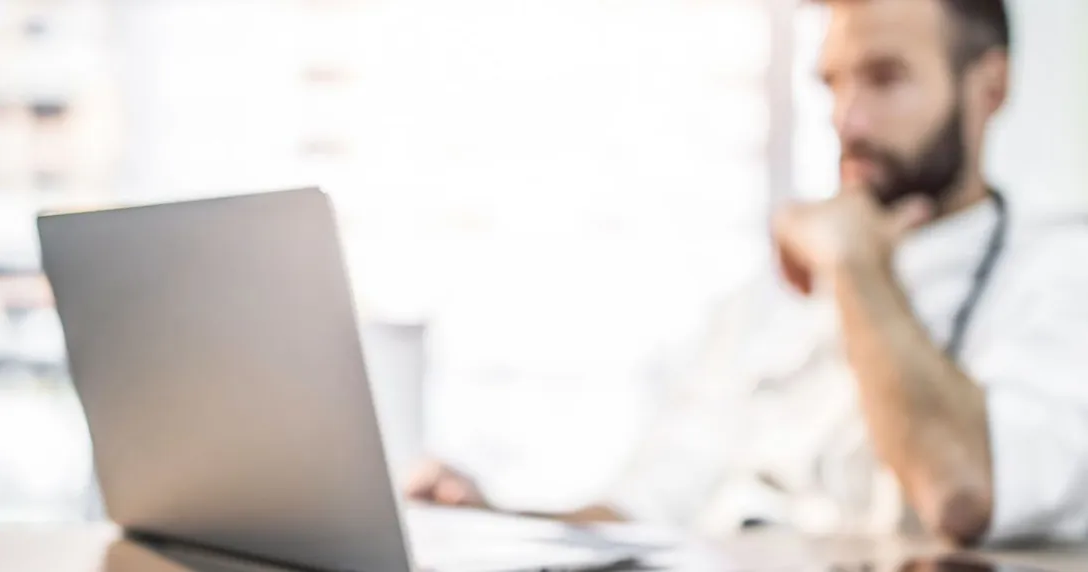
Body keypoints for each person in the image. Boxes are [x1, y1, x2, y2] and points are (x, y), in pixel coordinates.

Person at [407, 0, 1088, 546]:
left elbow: (964, 491)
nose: (847, 121)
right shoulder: (763, 301)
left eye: (884, 78)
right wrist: (492, 522)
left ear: (990, 86)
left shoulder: (1058, 275)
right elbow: (643, 517)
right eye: (832, 83)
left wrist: (854, 262)